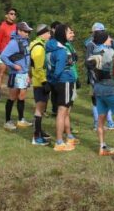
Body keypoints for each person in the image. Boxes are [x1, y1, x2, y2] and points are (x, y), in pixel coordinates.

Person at [86, 29, 114, 156]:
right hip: (110, 88)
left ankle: (102, 147)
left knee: (101, 120)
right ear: (105, 39)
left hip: (97, 88)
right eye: (109, 37)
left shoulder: (93, 52)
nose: (111, 39)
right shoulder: (110, 52)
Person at [46, 23, 77, 151]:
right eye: (68, 31)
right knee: (62, 112)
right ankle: (59, 142)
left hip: (58, 82)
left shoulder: (50, 47)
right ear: (62, 34)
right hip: (64, 81)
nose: (71, 33)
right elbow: (58, 70)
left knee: (64, 111)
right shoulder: (61, 51)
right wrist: (54, 80)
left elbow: (48, 66)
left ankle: (68, 137)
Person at [0, 21, 33, 130]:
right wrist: (13, 65)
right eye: (25, 31)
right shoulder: (14, 42)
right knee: (12, 97)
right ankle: (7, 121)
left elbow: (27, 58)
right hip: (15, 74)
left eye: (28, 31)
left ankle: (21, 119)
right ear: (19, 31)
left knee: (22, 96)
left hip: (24, 74)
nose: (27, 33)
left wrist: (28, 73)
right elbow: (3, 56)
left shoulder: (26, 41)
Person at [28, 23, 52, 146]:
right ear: (42, 34)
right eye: (48, 33)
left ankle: (40, 132)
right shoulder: (39, 48)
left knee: (41, 109)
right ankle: (36, 137)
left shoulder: (39, 45)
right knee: (39, 109)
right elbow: (38, 68)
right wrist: (44, 82)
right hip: (40, 82)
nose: (49, 35)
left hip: (39, 81)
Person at [0, 8, 19, 101]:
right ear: (6, 15)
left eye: (14, 14)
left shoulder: (16, 27)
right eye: (11, 13)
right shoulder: (2, 27)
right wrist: (1, 51)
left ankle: (12, 95)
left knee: (14, 74)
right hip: (3, 54)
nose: (13, 15)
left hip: (13, 55)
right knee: (1, 73)